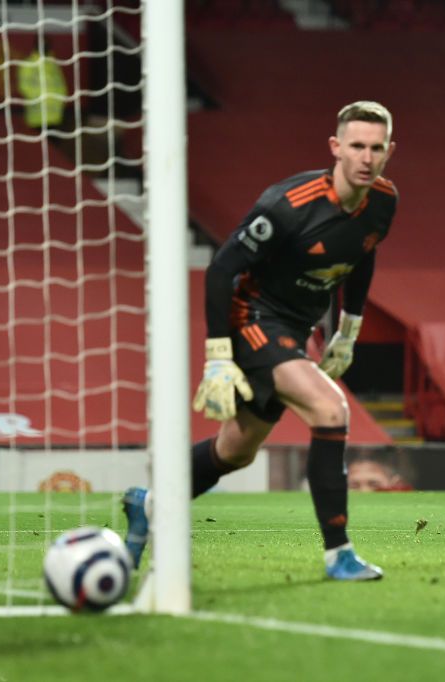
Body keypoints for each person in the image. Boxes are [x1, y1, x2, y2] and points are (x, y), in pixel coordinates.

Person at [124, 101, 398, 580]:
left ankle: (149, 505)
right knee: (330, 411)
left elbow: (363, 257)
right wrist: (217, 356)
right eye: (356, 146)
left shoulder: (383, 201)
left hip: (296, 331)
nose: (366, 158)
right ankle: (339, 554)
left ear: (389, 151)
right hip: (253, 319)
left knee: (236, 450)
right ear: (336, 147)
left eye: (376, 148)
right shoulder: (289, 205)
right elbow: (222, 269)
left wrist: (348, 330)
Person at [16, 38, 67, 130]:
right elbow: (24, 86)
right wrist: (43, 96)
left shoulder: (52, 63)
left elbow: (60, 84)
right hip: (37, 119)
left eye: (46, 44)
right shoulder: (28, 64)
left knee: (53, 143)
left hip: (56, 117)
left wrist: (61, 98)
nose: (45, 46)